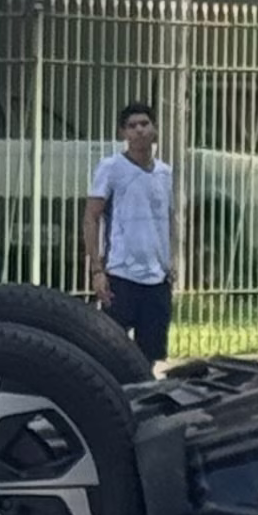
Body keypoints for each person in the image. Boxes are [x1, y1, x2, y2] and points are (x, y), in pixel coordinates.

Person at [81, 99, 176, 364]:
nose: (139, 131)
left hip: (157, 279)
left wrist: (170, 262)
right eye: (132, 126)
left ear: (154, 129)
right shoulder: (112, 168)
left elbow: (167, 218)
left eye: (145, 124)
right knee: (112, 352)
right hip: (121, 276)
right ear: (123, 132)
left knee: (152, 355)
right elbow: (91, 217)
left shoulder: (164, 173)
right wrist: (97, 271)